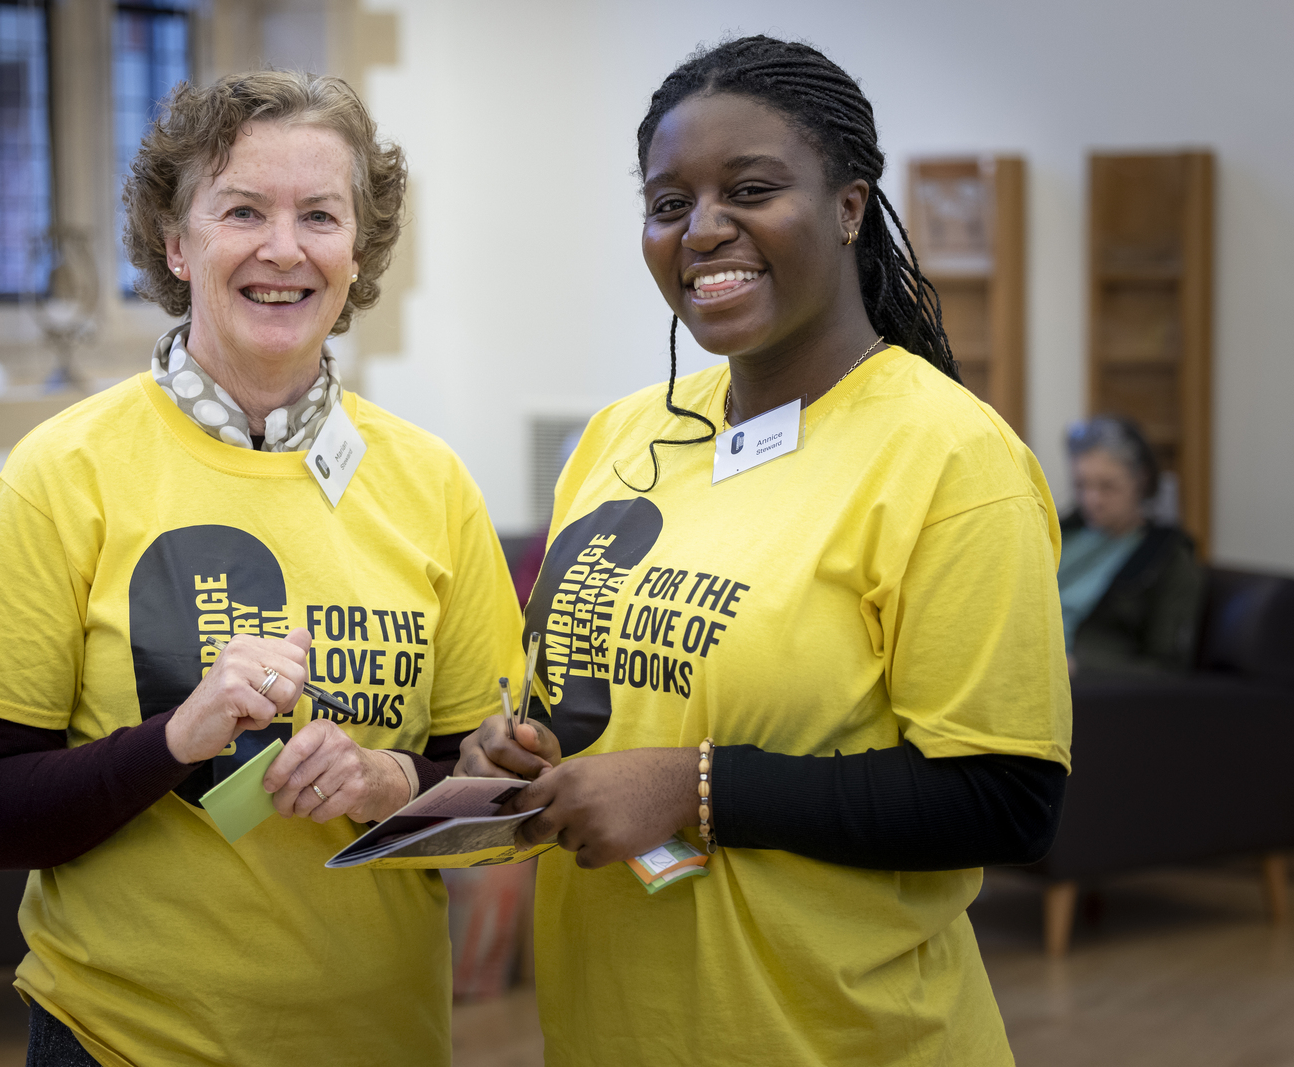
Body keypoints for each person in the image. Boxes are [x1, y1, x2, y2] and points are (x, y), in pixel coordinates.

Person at [458, 36, 1072, 1066]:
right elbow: (593, 707)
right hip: (615, 1031)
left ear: (848, 207)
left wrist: (694, 787)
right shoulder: (617, 439)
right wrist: (511, 751)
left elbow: (1005, 798)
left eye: (750, 188)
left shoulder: (952, 457)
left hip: (838, 1038)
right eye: (667, 203)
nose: (702, 230)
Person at [0, 71, 524, 1067]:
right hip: (119, 1040)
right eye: (242, 208)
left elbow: (497, 798)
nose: (282, 248)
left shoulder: (433, 483)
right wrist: (174, 740)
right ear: (176, 240)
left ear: (358, 249)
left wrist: (385, 779)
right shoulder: (63, 471)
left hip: (379, 1038)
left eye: (319, 215)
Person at [1060, 415, 1205, 673]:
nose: (1092, 499)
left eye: (1108, 486)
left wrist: (1081, 667)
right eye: (1082, 485)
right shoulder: (1063, 532)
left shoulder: (1167, 558)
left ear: (1141, 480)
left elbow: (1165, 667)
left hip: (1083, 683)